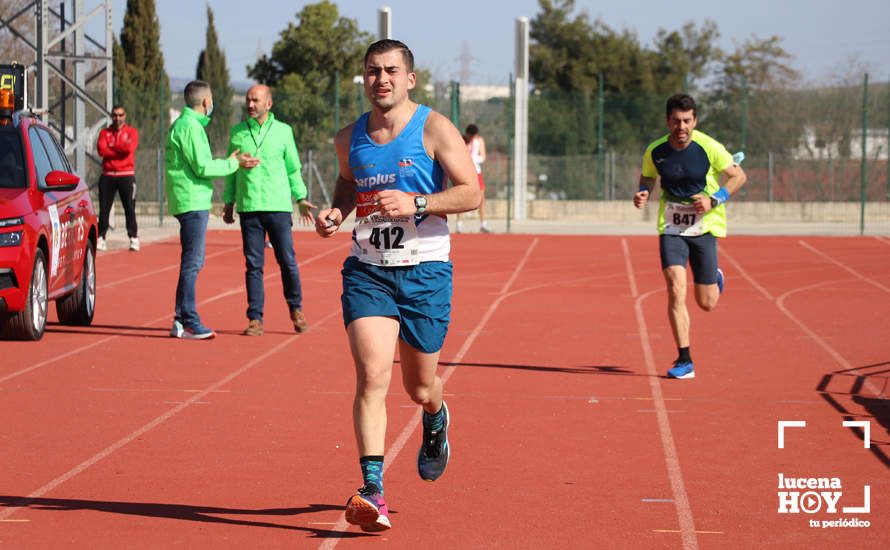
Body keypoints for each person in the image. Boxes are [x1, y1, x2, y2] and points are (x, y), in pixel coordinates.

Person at [315, 39, 481, 532]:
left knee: (418, 385)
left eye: (390, 70)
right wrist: (335, 213)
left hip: (425, 271)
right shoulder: (349, 138)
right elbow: (348, 186)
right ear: (363, 78)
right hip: (368, 269)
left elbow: (471, 192)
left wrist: (418, 204)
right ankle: (373, 489)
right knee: (371, 376)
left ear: (410, 78)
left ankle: (436, 414)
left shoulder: (433, 128)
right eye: (372, 71)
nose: (380, 79)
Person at [633, 93, 746, 379]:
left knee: (706, 303)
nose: (681, 127)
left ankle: (714, 278)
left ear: (694, 120)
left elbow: (738, 176)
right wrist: (644, 191)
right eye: (675, 121)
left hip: (704, 226)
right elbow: (648, 175)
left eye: (686, 121)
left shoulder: (709, 147)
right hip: (671, 227)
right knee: (675, 287)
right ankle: (685, 359)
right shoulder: (655, 150)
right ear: (667, 121)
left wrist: (715, 199)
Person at [165, 80, 259, 340]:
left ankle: (180, 320)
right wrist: (233, 163)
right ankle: (189, 319)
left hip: (189, 199)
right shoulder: (190, 127)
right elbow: (203, 167)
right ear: (206, 102)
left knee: (192, 261)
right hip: (191, 201)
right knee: (192, 262)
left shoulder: (186, 125)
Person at [223, 85, 315, 336]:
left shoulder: (284, 132)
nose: (250, 105)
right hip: (249, 206)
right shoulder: (237, 132)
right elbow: (231, 169)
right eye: (248, 100)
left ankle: (296, 308)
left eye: (255, 100)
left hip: (278, 207)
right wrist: (229, 202)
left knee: (287, 261)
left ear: (269, 104)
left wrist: (301, 197)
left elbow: (293, 169)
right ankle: (255, 318)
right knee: (253, 265)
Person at [96, 105, 140, 251]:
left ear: (125, 116)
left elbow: (129, 150)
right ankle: (101, 237)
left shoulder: (132, 132)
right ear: (111, 116)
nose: (118, 118)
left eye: (120, 115)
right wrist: (118, 148)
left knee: (129, 208)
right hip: (108, 175)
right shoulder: (104, 132)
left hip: (126, 175)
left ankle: (133, 237)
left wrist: (112, 147)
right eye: (115, 115)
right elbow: (102, 150)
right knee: (104, 209)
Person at [456, 123, 489, 233]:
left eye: (474, 135)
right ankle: (459, 225)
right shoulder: (462, 140)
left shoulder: (479, 141)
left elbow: (483, 157)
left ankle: (483, 225)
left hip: (477, 173)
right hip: (464, 173)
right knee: (461, 199)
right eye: (471, 135)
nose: (472, 137)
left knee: (481, 199)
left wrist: (473, 158)